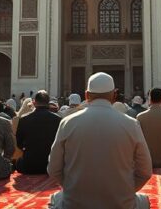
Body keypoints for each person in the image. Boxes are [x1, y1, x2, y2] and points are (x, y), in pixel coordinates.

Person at [47, 72, 152, 209]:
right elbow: (145, 171)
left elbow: (53, 169)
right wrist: (124, 193)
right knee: (144, 201)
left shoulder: (68, 123)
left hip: (75, 203)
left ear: (86, 95)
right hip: (120, 203)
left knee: (55, 198)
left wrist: (72, 188)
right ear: (114, 95)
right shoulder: (131, 124)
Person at [15, 90, 62, 175]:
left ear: (34, 103)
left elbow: (19, 144)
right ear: (48, 103)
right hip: (50, 165)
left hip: (29, 165)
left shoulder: (24, 119)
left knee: (17, 162)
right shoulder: (58, 120)